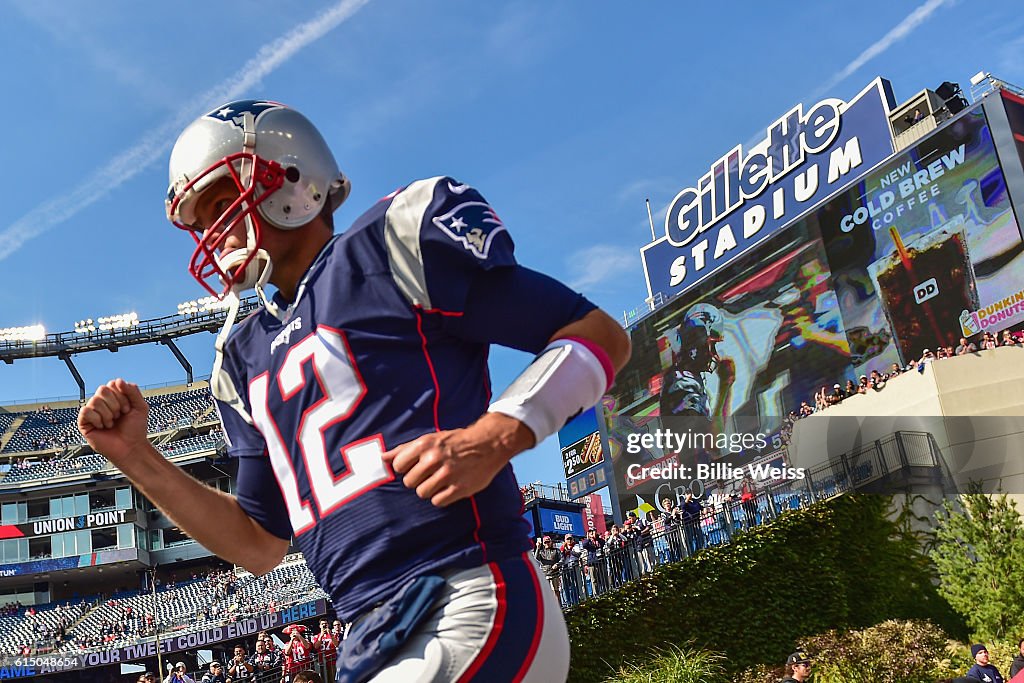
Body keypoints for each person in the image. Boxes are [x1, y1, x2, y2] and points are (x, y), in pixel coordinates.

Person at [77, 100, 629, 682]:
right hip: (367, 636)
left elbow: (598, 336)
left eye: (220, 203)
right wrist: (135, 457)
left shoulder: (389, 244)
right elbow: (259, 544)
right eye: (200, 221)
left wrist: (492, 437)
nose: (211, 234)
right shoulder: (240, 357)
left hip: (466, 590)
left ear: (288, 175)